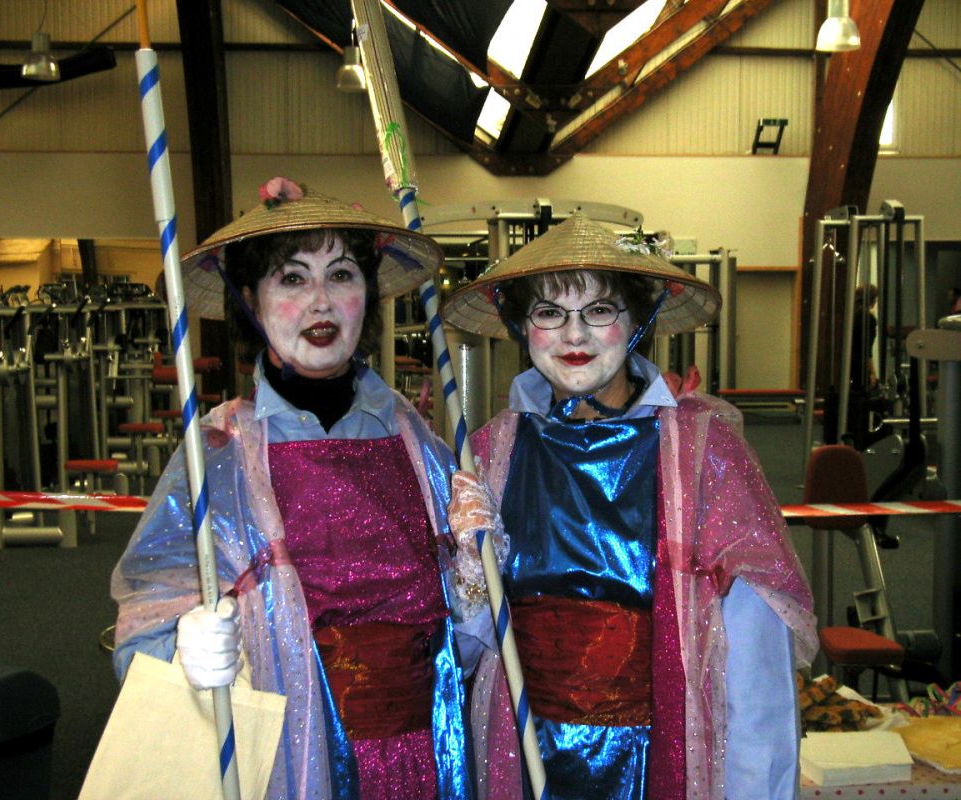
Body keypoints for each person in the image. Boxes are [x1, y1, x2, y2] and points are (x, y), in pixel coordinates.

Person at [111, 178, 483, 800]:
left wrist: (478, 575)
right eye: (292, 278)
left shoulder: (420, 442)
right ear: (251, 303)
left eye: (341, 275)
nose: (321, 302)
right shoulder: (219, 456)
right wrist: (182, 649)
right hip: (293, 762)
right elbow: (146, 618)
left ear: (367, 295)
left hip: (426, 760)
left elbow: (470, 630)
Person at [441, 214, 817, 800]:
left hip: (655, 760)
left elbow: (757, 668)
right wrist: (468, 576)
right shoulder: (490, 453)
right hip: (524, 756)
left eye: (599, 310)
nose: (574, 335)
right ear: (521, 325)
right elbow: (463, 655)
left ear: (637, 320)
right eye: (549, 312)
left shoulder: (702, 454)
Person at [851, 284, 879, 390]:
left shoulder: (850, 315)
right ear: (871, 300)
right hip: (859, 366)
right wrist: (872, 372)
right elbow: (866, 349)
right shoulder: (868, 318)